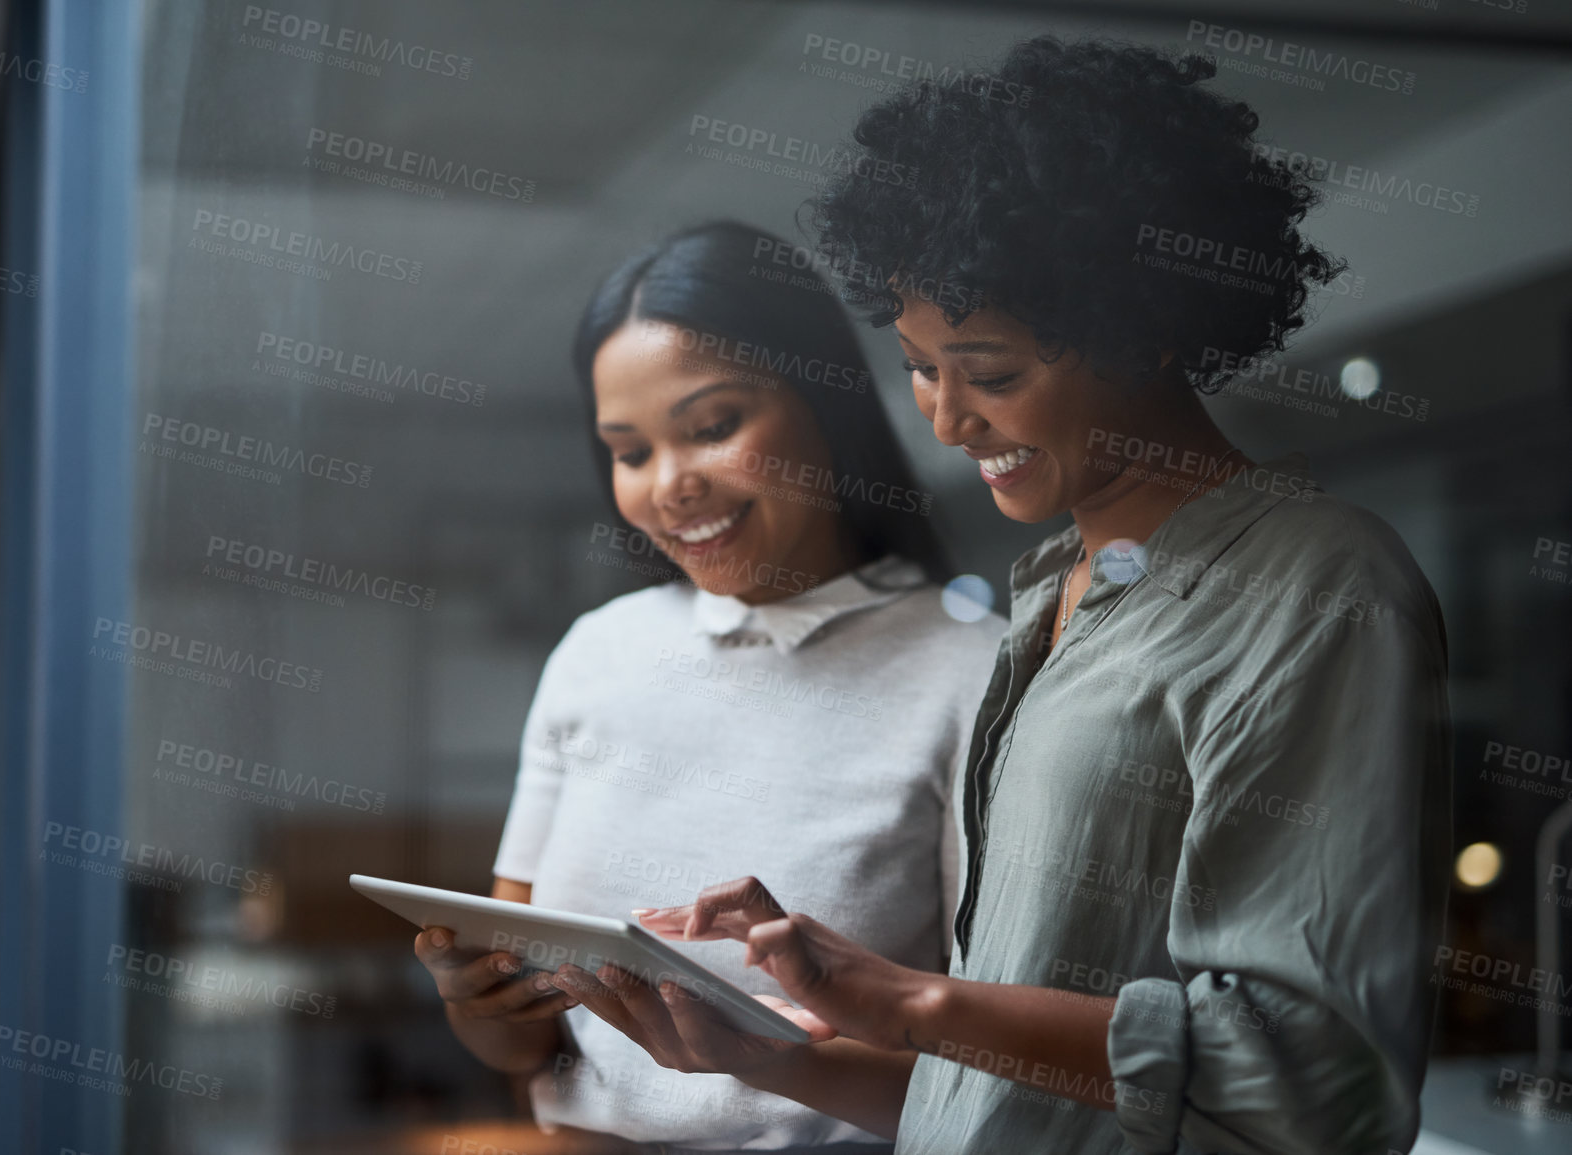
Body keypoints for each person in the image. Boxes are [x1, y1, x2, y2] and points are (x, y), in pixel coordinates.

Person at [549, 38, 1453, 1155]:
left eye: (994, 372)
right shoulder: (1052, 598)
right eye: (924, 365)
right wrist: (777, 1049)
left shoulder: (1317, 591)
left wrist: (913, 999)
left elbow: (1318, 1080)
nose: (946, 420)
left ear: (1148, 328)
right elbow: (996, 1104)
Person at [413, 220, 1009, 1152]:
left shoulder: (971, 670)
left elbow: (997, 1085)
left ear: (824, 401)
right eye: (630, 450)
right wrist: (475, 999)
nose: (670, 485)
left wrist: (777, 1060)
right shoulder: (594, 652)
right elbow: (527, 1050)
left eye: (713, 427)